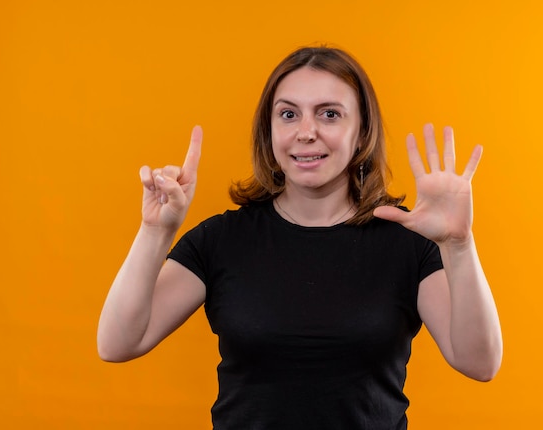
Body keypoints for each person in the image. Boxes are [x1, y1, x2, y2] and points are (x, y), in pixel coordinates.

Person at [97, 46, 502, 429]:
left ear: (361, 132)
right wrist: (156, 231)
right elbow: (117, 343)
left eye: (329, 114)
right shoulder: (221, 240)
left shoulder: (407, 244)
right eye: (288, 115)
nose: (306, 132)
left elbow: (479, 363)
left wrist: (459, 245)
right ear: (269, 132)